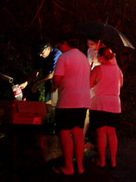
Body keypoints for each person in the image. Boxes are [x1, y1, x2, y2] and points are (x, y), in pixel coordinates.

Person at [52, 36, 91, 176]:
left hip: (68, 100)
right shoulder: (83, 58)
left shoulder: (64, 58)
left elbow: (56, 79)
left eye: (59, 43)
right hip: (83, 101)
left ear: (65, 42)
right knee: (78, 133)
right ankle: (80, 166)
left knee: (65, 133)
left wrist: (53, 87)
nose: (59, 46)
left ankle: (68, 167)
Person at [89, 47, 124, 169]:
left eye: (99, 56)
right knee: (112, 133)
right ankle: (113, 161)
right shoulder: (118, 70)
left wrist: (90, 72)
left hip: (100, 104)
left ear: (102, 57)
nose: (97, 58)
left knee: (101, 132)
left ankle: (102, 160)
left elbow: (89, 84)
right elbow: (121, 84)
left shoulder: (98, 69)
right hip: (114, 104)